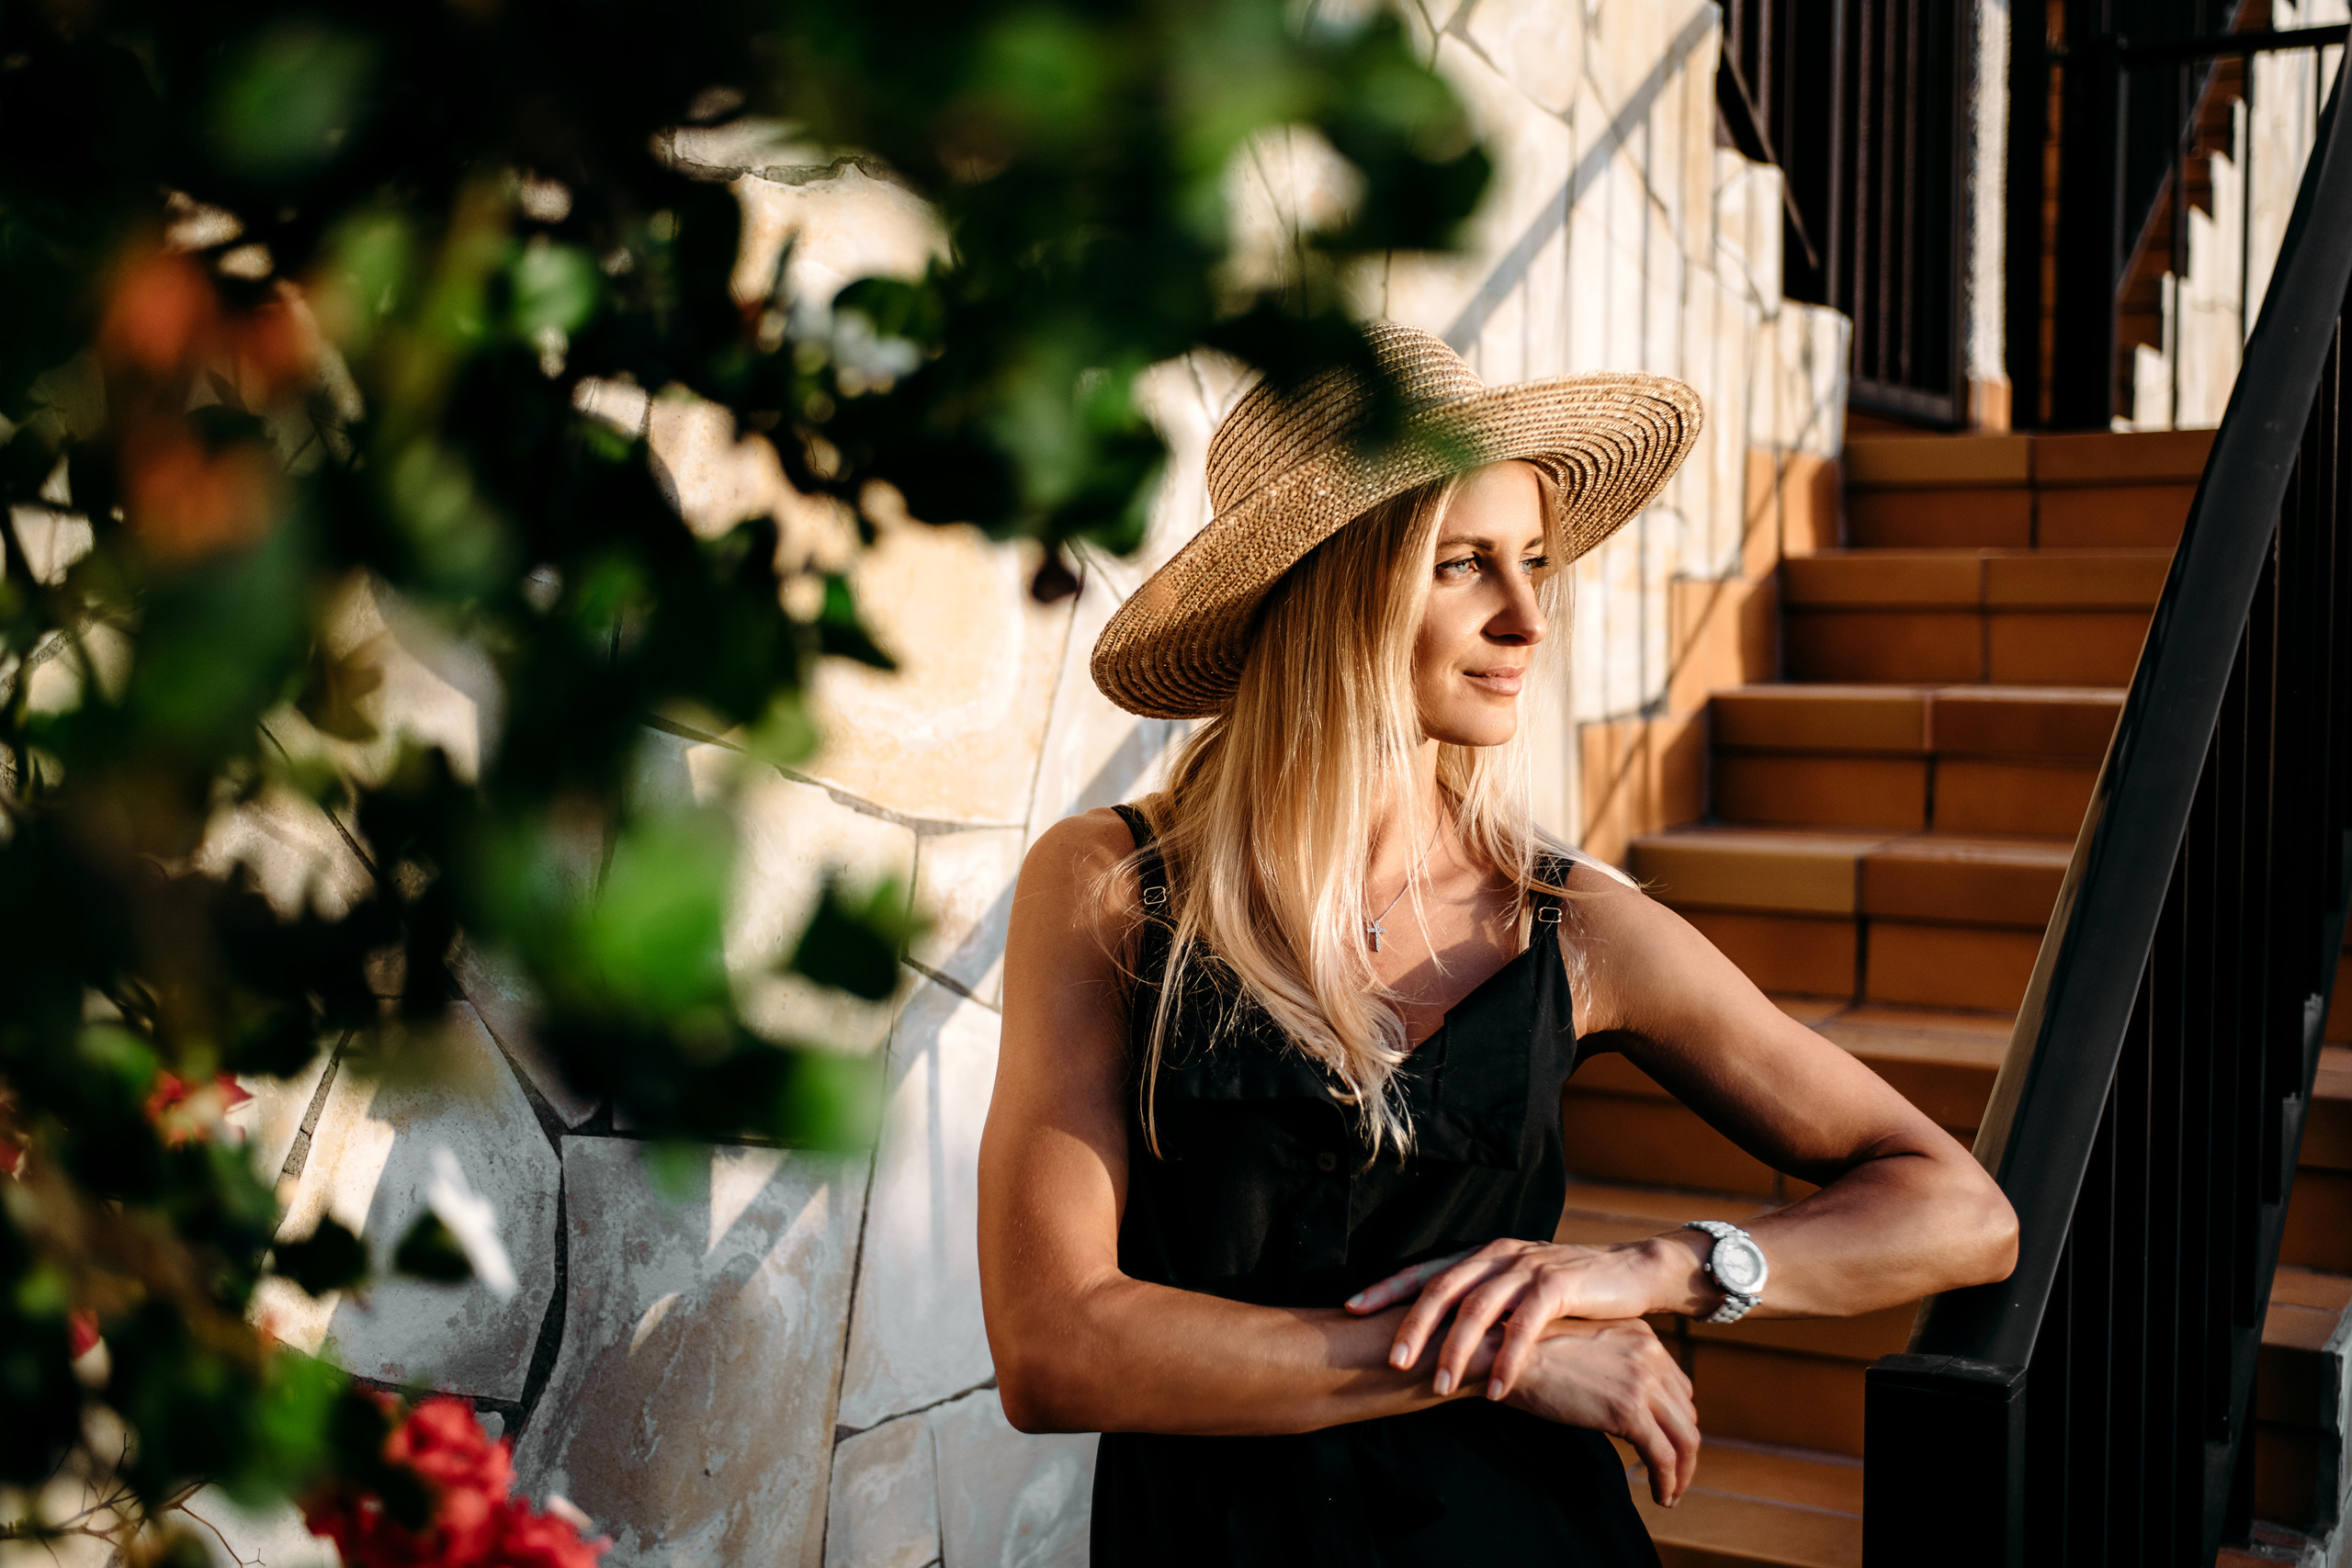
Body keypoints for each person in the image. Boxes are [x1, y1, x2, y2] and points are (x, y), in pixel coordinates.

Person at [978, 323, 2018, 1566]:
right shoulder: (1114, 887)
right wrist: (1494, 1360)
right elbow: (1054, 1349)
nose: (1528, 616)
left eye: (1533, 562)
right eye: (1465, 564)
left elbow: (1959, 1209)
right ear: (1334, 585)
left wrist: (1645, 1276)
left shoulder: (1570, 921)